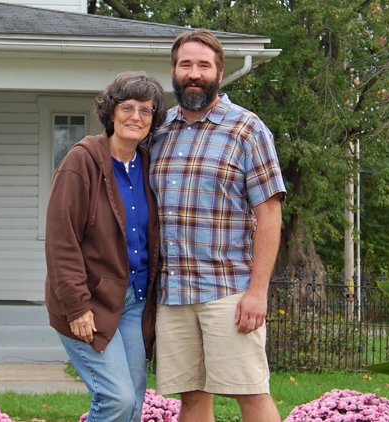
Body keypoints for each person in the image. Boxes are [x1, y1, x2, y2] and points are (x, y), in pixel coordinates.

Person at [149, 29, 287, 422]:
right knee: (191, 399)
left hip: (228, 291)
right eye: (186, 65)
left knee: (251, 394)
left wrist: (257, 292)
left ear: (219, 72)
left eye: (203, 65)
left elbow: (269, 214)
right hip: (173, 293)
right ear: (174, 71)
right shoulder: (158, 131)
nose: (194, 73)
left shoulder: (247, 129)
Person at [45, 71, 167, 422]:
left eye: (146, 111)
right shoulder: (82, 160)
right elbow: (61, 239)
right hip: (89, 301)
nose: (136, 117)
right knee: (116, 398)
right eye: (127, 107)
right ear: (111, 112)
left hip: (133, 302)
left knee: (134, 403)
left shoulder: (147, 165)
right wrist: (76, 305)